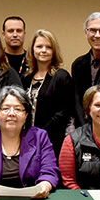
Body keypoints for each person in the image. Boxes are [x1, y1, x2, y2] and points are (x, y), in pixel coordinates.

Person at [21, 29, 74, 157]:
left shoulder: (61, 76)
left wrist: (40, 133)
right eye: (39, 46)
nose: (43, 50)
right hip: (26, 139)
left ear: (53, 51)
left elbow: (62, 113)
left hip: (52, 140)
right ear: (32, 49)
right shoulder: (26, 78)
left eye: (48, 47)